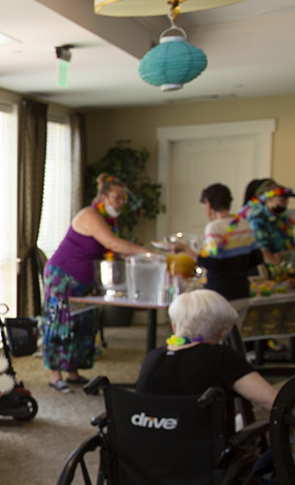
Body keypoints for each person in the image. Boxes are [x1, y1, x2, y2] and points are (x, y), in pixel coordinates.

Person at [42, 174, 156, 393]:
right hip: (63, 275)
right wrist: (147, 251)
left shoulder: (108, 220)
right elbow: (111, 243)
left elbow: (111, 250)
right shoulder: (90, 214)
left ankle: (73, 372)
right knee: (61, 323)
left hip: (85, 278)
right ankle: (55, 375)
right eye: (117, 198)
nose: (121, 203)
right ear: (103, 197)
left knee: (84, 323)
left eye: (123, 199)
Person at [136, 288, 278, 412]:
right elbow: (273, 402)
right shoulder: (221, 357)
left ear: (174, 326)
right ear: (222, 331)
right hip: (203, 441)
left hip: (152, 441)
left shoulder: (152, 357)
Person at [197, 182, 262, 301]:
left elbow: (214, 264)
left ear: (208, 203)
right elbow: (257, 258)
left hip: (220, 294)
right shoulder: (244, 224)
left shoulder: (214, 227)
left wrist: (187, 251)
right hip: (242, 291)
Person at [238, 178, 295, 266]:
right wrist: (279, 270)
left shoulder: (283, 217)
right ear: (269, 199)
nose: (286, 203)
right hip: (271, 269)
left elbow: (290, 243)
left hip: (287, 264)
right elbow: (263, 250)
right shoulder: (258, 218)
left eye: (287, 200)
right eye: (282, 199)